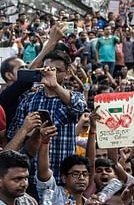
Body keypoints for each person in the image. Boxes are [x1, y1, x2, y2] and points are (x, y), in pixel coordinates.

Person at [7, 50, 86, 180]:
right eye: (47, 69)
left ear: (66, 74)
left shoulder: (73, 97)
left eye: (57, 70)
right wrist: (27, 131)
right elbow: (14, 134)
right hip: (31, 175)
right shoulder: (29, 99)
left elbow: (79, 107)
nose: (50, 73)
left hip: (62, 177)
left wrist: (54, 86)